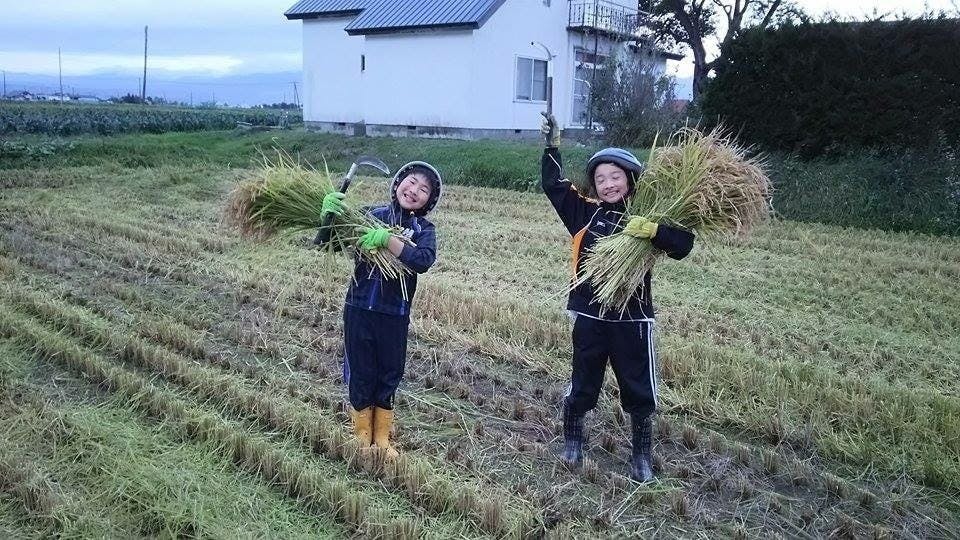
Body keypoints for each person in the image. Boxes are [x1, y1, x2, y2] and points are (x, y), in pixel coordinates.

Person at [540, 113, 694, 482]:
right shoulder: (585, 213)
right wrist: (552, 147)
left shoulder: (651, 214)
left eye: (615, 176)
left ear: (630, 179)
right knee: (583, 381)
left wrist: (655, 231)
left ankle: (641, 457)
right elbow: (553, 186)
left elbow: (684, 244)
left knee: (638, 387)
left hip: (633, 317)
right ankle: (573, 442)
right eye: (600, 179)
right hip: (590, 315)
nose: (608, 184)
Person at [315, 162, 442, 458]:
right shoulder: (369, 216)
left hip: (394, 315)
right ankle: (362, 436)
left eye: (424, 190)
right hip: (358, 308)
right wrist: (327, 216)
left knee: (389, 374)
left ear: (429, 201)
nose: (414, 190)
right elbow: (327, 244)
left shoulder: (423, 230)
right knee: (360, 372)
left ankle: (382, 438)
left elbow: (423, 261)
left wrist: (388, 240)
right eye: (411, 182)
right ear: (398, 183)